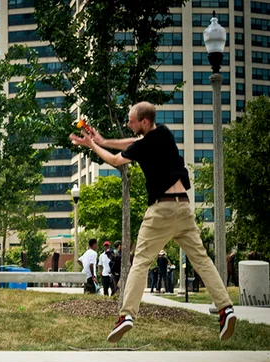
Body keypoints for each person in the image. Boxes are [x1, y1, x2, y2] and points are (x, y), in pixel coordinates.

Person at [70, 101, 235, 342]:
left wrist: (93, 144)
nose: (128, 123)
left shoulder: (144, 144)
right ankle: (225, 307)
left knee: (140, 262)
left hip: (162, 209)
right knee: (201, 259)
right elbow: (131, 143)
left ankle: (126, 315)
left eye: (131, 120)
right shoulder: (164, 134)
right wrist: (103, 140)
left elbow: (116, 160)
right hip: (184, 208)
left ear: (144, 121)